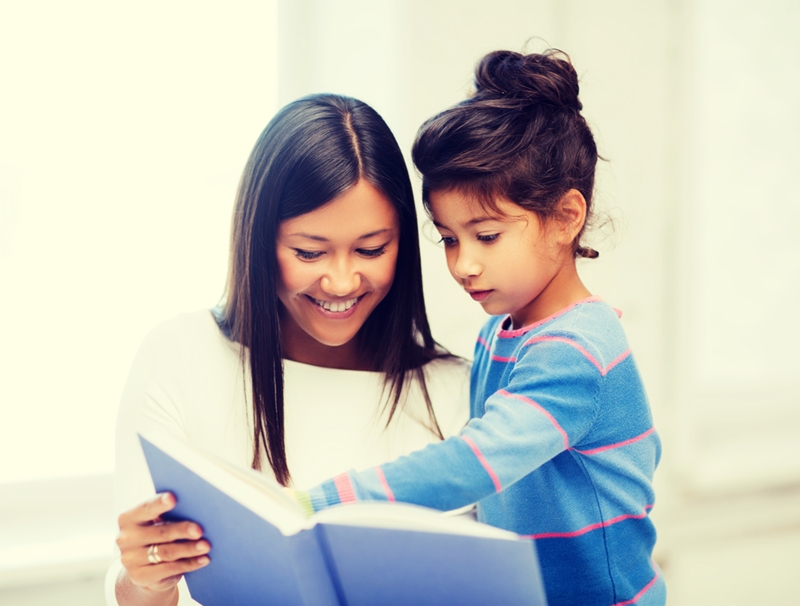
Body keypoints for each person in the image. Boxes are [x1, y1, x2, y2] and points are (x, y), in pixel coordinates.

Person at [294, 50, 665, 606]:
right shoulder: (501, 333)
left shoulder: (579, 349)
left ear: (566, 217)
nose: (463, 263)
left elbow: (475, 464)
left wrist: (319, 504)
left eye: (486, 236)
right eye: (448, 238)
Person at [106, 94, 470, 606]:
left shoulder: (458, 392)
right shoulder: (180, 357)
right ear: (258, 241)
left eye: (371, 249)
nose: (342, 281)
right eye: (309, 252)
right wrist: (146, 580)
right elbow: (144, 589)